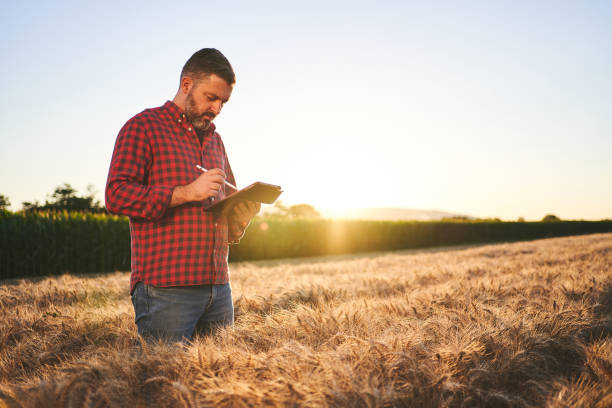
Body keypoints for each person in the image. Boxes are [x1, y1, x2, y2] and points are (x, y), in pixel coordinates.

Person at [105, 48, 260, 343]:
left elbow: (224, 211)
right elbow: (116, 195)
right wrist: (187, 192)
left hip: (219, 289)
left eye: (223, 102)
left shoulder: (216, 140)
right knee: (166, 384)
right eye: (210, 98)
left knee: (221, 382)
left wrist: (241, 214)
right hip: (166, 292)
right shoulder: (143, 127)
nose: (216, 109)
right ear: (187, 85)